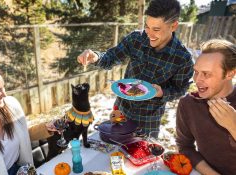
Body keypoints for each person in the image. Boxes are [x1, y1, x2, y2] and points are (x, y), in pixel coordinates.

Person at [77, 0, 194, 136]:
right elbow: (111, 57)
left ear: (173, 26)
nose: (149, 34)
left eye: (156, 29)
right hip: (121, 110)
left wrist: (162, 92)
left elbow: (181, 89)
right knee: (115, 149)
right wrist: (95, 57)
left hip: (148, 120)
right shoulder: (135, 39)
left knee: (141, 156)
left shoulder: (183, 58)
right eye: (147, 27)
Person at [0, 64, 58, 175]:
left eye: (3, 87)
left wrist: (47, 128)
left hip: (21, 171)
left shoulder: (10, 107)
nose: (4, 94)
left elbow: (23, 134)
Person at [176, 39, 236, 175]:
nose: (197, 80)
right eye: (196, 72)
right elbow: (185, 147)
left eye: (206, 74)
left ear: (230, 74)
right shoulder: (188, 104)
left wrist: (233, 125)